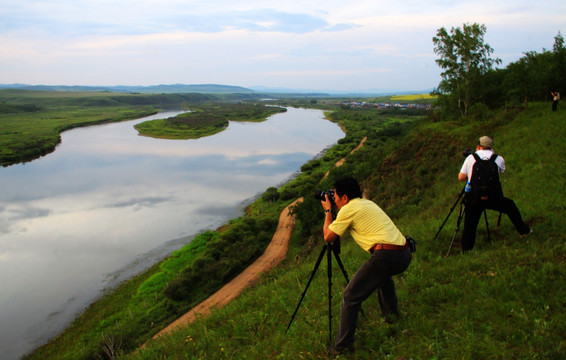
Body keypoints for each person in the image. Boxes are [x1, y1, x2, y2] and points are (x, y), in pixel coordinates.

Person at [320, 177, 412, 355]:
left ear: (345, 198)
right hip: (404, 253)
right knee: (382, 278)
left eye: (336, 197)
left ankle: (342, 348)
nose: (335, 200)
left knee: (350, 296)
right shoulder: (367, 203)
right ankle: (392, 318)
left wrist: (328, 211)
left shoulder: (348, 209)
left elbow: (328, 236)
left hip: (386, 255)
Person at [458, 136, 531, 252]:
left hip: (475, 197)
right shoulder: (498, 158)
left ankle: (466, 249)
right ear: (491, 147)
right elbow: (502, 171)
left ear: (478, 146)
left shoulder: (471, 158)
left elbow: (461, 177)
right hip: (493, 197)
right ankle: (523, 230)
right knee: (510, 206)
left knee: (470, 224)